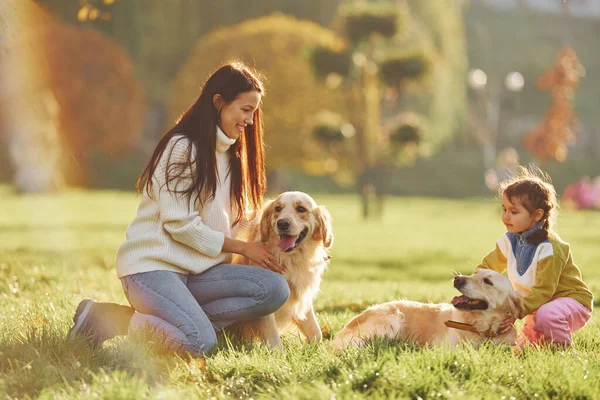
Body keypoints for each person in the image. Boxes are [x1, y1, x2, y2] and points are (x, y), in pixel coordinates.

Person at [67, 62, 290, 357]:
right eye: (245, 109)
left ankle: (182, 320)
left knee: (275, 289)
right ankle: (107, 319)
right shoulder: (182, 148)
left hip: (200, 273)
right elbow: (179, 224)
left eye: (254, 112)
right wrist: (242, 249)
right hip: (153, 269)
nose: (250, 120)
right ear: (219, 103)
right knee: (199, 342)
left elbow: (241, 220)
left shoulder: (234, 157)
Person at [476, 167, 593, 347]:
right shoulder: (509, 242)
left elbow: (544, 290)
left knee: (547, 316)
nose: (506, 216)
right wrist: (474, 288)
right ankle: (542, 344)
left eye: (514, 212)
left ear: (537, 214)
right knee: (524, 347)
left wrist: (513, 311)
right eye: (504, 209)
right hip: (537, 307)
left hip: (571, 302)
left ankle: (563, 352)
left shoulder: (550, 249)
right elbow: (487, 267)